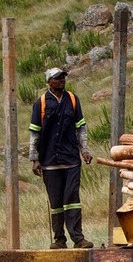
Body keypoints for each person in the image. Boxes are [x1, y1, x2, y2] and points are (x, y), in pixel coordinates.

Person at [29, 67, 94, 249]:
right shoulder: (41, 103)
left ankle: (78, 239)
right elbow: (35, 133)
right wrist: (35, 159)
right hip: (49, 162)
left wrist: (85, 150)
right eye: (57, 78)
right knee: (56, 203)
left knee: (72, 199)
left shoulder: (73, 100)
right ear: (49, 82)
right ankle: (59, 240)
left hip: (71, 159)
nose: (61, 80)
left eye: (63, 77)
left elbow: (80, 127)